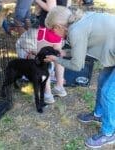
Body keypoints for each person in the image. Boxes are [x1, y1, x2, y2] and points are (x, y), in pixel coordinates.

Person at [44, 6, 115, 148]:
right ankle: (99, 114)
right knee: (102, 81)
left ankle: (109, 133)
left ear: (58, 26)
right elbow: (82, 47)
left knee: (108, 92)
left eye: (52, 30)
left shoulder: (75, 30)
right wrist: (64, 53)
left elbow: (77, 66)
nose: (54, 34)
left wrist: (55, 59)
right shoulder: (81, 20)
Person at [35, 0, 71, 104]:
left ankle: (47, 94)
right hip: (60, 26)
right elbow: (67, 4)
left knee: (43, 60)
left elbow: (51, 8)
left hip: (49, 26)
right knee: (58, 57)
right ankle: (60, 87)